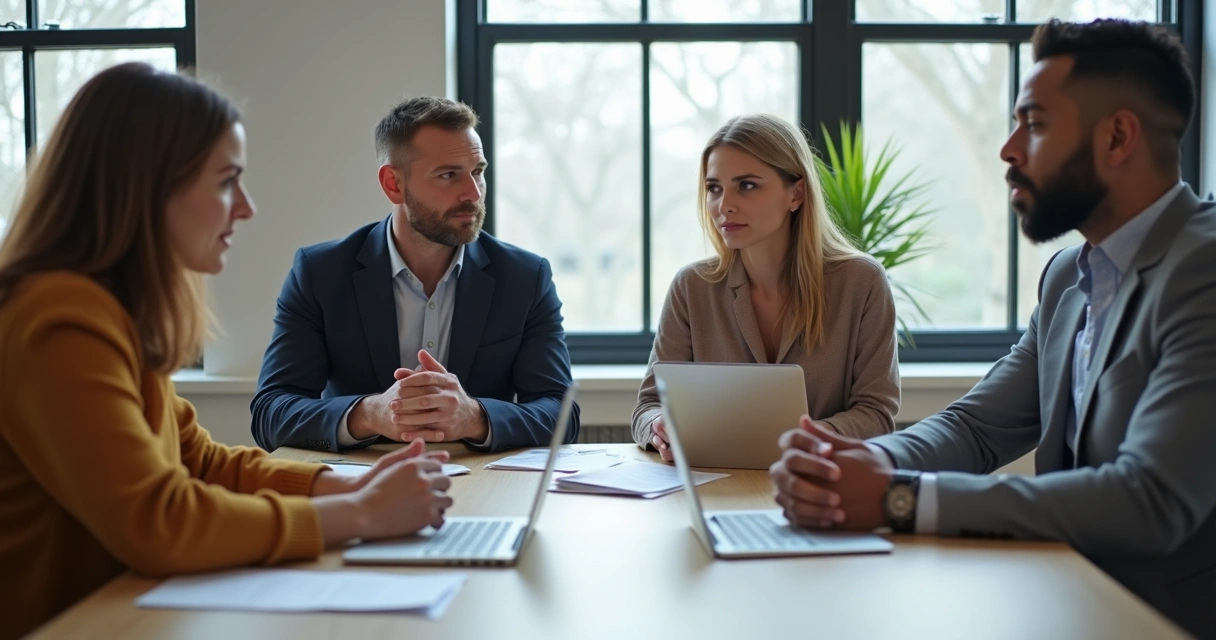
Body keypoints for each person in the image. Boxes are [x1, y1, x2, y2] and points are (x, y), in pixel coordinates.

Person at [770, 19, 1215, 638]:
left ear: (1118, 137)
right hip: (1069, 603)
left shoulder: (1203, 269)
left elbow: (1151, 500)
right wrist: (858, 462)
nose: (1008, 148)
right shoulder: (1069, 276)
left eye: (1035, 123)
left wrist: (899, 498)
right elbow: (977, 428)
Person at [0, 63, 454, 640]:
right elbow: (159, 521)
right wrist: (360, 514)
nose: (245, 207)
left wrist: (348, 486)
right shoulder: (59, 317)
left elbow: (202, 463)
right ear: (148, 187)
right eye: (225, 181)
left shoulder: (111, 311)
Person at [251, 97, 578, 453]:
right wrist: (370, 414)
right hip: (361, 481)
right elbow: (271, 414)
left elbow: (561, 415)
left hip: (486, 480)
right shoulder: (321, 274)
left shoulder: (525, 278)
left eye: (477, 172)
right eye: (449, 175)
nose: (473, 193)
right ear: (393, 184)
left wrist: (474, 417)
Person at [634, 113, 899, 462]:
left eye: (746, 186)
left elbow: (877, 414)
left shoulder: (861, 282)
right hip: (714, 482)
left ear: (797, 193)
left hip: (820, 478)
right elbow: (649, 406)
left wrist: (805, 442)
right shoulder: (692, 287)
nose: (724, 205)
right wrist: (659, 427)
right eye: (714, 188)